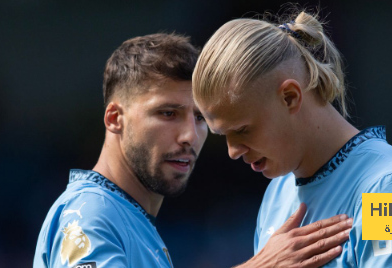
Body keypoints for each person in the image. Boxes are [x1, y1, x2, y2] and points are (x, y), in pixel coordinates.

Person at [33, 33, 353, 268]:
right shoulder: (91, 215)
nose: (191, 136)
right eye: (168, 113)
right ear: (115, 118)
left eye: (200, 118)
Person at [192, 9, 392, 268]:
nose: (232, 151)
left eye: (242, 130)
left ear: (290, 97)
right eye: (223, 136)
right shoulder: (277, 193)